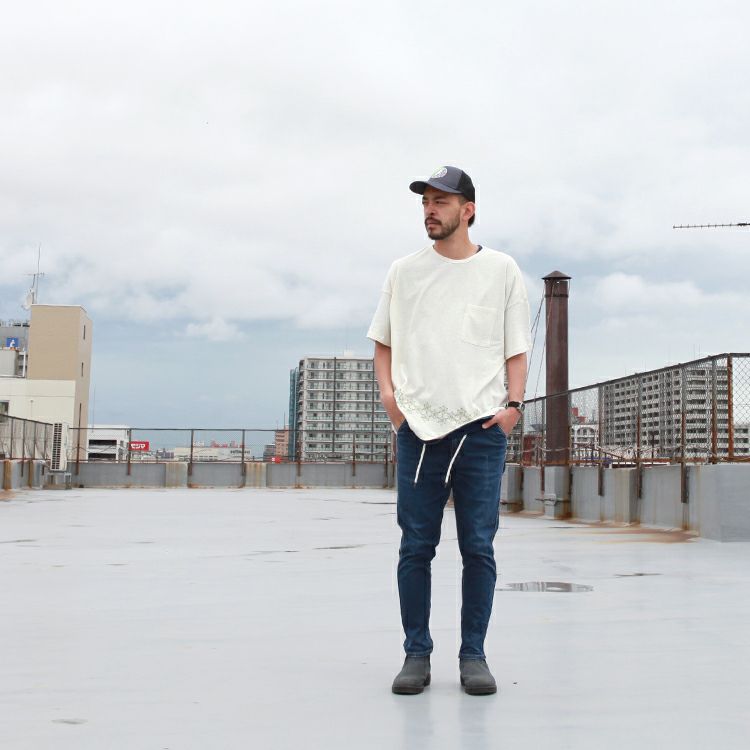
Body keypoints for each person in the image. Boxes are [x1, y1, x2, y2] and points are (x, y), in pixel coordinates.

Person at [366, 166, 531, 696]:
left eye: (441, 201)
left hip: (481, 429)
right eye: (425, 202)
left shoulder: (501, 270)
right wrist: (391, 402)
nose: (430, 210)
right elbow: (383, 341)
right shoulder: (404, 271)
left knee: (478, 547)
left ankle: (473, 656)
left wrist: (513, 407)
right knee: (416, 546)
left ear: (468, 210)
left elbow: (516, 348)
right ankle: (416, 654)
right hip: (418, 430)